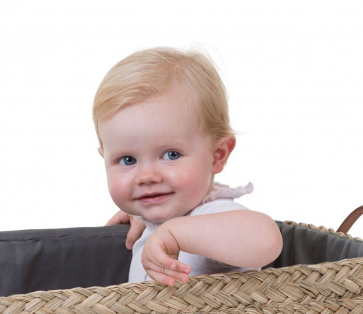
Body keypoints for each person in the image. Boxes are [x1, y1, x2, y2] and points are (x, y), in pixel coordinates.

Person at [94, 47, 283, 285]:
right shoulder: (152, 224)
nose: (147, 177)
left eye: (171, 155)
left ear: (217, 155)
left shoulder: (215, 213)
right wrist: (141, 214)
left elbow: (265, 240)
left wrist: (175, 234)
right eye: (128, 160)